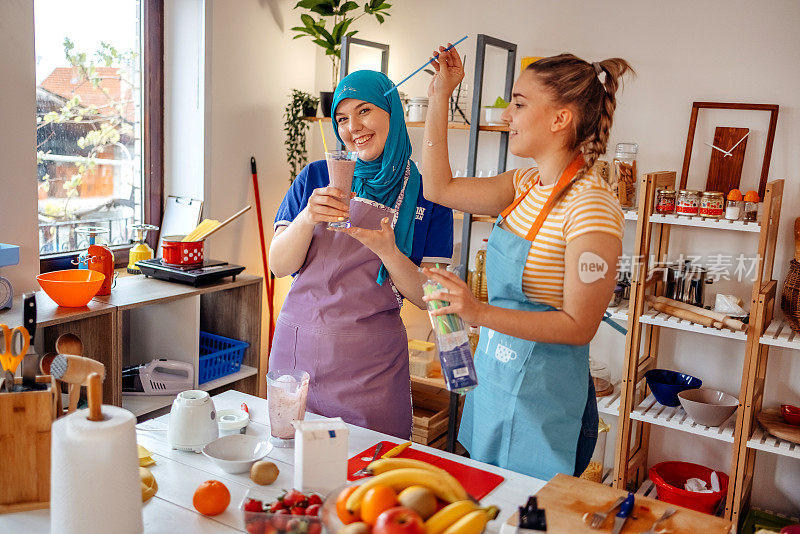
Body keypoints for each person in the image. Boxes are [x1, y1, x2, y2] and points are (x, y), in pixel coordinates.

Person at [421, 45, 633, 479]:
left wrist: (477, 311)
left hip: (545, 402)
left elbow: (579, 325)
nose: (506, 116)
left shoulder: (592, 206)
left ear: (560, 119)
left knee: (529, 521)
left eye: (518, 104)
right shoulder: (524, 184)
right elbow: (438, 188)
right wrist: (441, 92)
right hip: (495, 381)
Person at [269, 70, 454, 439]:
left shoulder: (429, 194)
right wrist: (307, 217)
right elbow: (279, 265)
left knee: (372, 481)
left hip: (371, 371)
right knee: (292, 479)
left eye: (365, 111)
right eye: (342, 118)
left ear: (392, 112)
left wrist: (389, 251)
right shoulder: (316, 176)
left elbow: (429, 298)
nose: (353, 127)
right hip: (296, 356)